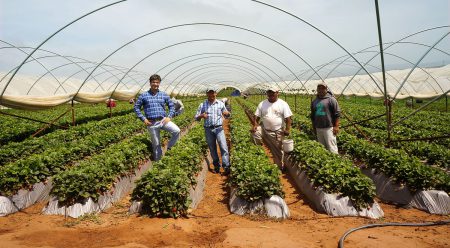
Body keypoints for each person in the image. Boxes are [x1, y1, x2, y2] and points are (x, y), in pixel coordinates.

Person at [134, 74, 180, 161]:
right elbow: (136, 107)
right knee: (156, 144)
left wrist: (169, 116)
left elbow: (172, 106)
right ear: (150, 83)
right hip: (151, 123)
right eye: (153, 82)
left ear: (159, 83)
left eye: (157, 82)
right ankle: (158, 162)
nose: (155, 84)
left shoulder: (164, 95)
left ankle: (169, 147)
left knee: (176, 130)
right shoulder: (144, 95)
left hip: (163, 120)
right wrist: (143, 119)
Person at [251, 86, 292, 171]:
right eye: (269, 92)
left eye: (273, 92)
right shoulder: (262, 103)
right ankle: (259, 147)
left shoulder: (283, 104)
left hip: (277, 131)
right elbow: (256, 117)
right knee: (255, 132)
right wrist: (255, 125)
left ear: (277, 93)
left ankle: (279, 167)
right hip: (264, 128)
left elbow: (288, 119)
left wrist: (287, 130)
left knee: (278, 149)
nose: (271, 94)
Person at [195, 88, 231, 175]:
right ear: (207, 94)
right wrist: (201, 115)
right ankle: (217, 166)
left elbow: (227, 114)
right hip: (208, 129)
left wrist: (227, 114)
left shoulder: (220, 104)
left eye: (213, 94)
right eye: (209, 94)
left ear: (216, 93)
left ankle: (226, 167)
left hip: (219, 128)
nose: (211, 96)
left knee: (223, 147)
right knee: (212, 148)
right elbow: (196, 117)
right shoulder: (202, 104)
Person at [310, 82, 341, 154]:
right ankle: (325, 162)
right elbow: (313, 115)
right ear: (317, 90)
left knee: (332, 147)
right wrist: (314, 127)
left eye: (323, 88)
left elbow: (337, 113)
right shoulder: (314, 101)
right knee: (322, 147)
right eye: (319, 88)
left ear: (326, 89)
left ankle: (335, 162)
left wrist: (336, 126)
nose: (321, 90)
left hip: (328, 127)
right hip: (318, 127)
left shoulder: (331, 99)